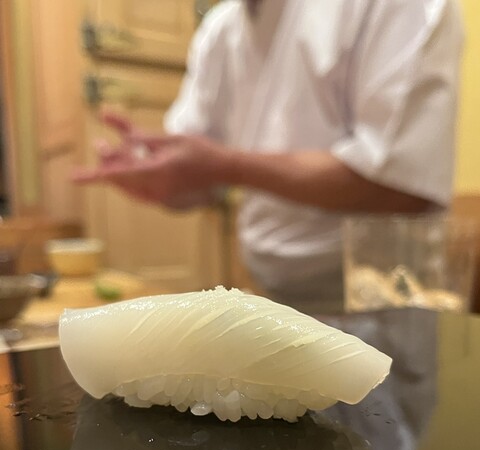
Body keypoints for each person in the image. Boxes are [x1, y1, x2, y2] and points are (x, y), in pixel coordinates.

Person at [74, 0, 464, 313]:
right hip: (268, 294)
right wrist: (162, 178)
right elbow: (199, 177)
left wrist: (225, 165)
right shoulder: (220, 28)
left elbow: (399, 185)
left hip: (383, 303)